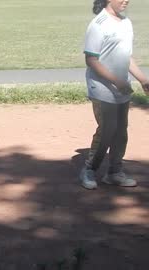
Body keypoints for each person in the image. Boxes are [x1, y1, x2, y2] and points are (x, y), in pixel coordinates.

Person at [79, 0, 149, 190]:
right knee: (107, 131)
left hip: (122, 88)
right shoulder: (98, 24)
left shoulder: (126, 23)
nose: (126, 0)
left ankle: (114, 172)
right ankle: (89, 170)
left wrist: (143, 80)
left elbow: (126, 58)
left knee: (121, 132)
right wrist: (116, 81)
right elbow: (91, 60)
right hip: (102, 88)